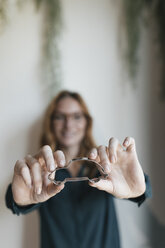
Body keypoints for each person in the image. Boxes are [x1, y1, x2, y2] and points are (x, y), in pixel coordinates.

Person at [5, 90, 151, 248]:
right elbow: (14, 199)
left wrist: (140, 187)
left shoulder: (104, 168)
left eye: (76, 116)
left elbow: (140, 188)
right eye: (60, 117)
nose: (68, 124)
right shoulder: (43, 175)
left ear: (87, 122)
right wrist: (17, 199)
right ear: (51, 123)